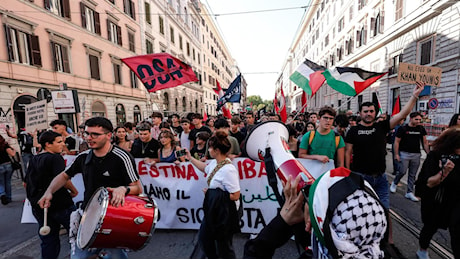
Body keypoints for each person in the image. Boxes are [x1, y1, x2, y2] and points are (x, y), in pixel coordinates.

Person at [38, 117, 143, 259]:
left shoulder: (122, 157)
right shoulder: (83, 157)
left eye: (95, 134)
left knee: (117, 256)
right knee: (80, 257)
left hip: (115, 216)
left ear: (108, 135)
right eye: (87, 133)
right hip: (88, 215)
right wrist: (49, 192)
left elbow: (137, 188)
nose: (89, 138)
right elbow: (64, 176)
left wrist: (123, 189)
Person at [345, 81, 425, 248]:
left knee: (385, 209)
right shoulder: (352, 131)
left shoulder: (382, 126)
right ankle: (362, 240)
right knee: (362, 212)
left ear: (375, 113)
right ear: (360, 113)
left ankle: (389, 241)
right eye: (365, 111)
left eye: (371, 111)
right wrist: (347, 174)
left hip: (380, 179)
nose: (368, 114)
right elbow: (347, 153)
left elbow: (403, 114)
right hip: (361, 178)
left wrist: (415, 95)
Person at [185, 130, 241, 258]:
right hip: (214, 208)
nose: (208, 150)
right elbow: (205, 168)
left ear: (216, 150)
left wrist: (212, 193)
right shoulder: (215, 163)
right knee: (205, 239)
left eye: (210, 147)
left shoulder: (228, 169)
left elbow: (235, 195)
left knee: (224, 245)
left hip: (225, 212)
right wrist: (190, 158)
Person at [25, 130, 78, 258]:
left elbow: (26, 182)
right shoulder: (55, 158)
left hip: (40, 206)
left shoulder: (34, 159)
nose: (62, 145)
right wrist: (74, 191)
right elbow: (62, 178)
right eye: (59, 142)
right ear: (48, 144)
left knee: (48, 240)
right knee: (78, 236)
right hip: (60, 204)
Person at [414, 127, 460, 259]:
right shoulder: (436, 155)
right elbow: (428, 182)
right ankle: (422, 250)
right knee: (430, 226)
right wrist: (444, 172)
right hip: (437, 199)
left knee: (457, 231)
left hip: (456, 200)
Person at [390, 112, 429, 201]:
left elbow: (425, 142)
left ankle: (409, 192)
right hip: (404, 153)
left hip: (416, 154)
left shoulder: (421, 128)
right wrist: (396, 154)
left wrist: (428, 153)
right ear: (411, 119)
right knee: (402, 171)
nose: (418, 121)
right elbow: (397, 142)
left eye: (420, 119)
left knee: (412, 174)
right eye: (416, 119)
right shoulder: (403, 128)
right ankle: (395, 183)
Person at [0, 135, 16, 205]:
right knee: (8, 182)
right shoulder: (4, 145)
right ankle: (9, 197)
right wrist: (14, 150)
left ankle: (2, 194)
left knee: (1, 182)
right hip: (8, 164)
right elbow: (12, 154)